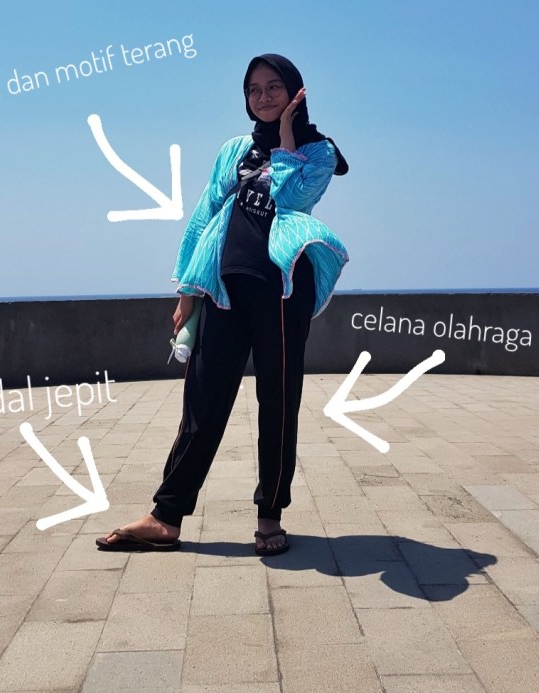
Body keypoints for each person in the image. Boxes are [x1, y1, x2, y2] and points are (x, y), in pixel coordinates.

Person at [96, 53, 349, 556]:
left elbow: (295, 199)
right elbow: (204, 215)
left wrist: (286, 140)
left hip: (281, 290)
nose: (263, 97)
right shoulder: (234, 150)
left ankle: (270, 515)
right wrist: (188, 289)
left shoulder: (320, 151)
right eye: (253, 89)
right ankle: (166, 516)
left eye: (274, 86)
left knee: (278, 402)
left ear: (295, 92)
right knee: (203, 400)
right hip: (225, 288)